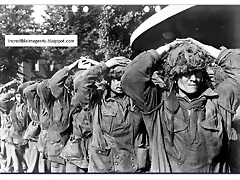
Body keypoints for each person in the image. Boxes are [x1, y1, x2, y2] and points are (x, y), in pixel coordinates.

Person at [121, 38, 240, 172]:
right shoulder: (157, 103)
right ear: (175, 75)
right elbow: (131, 77)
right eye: (187, 73)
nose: (194, 79)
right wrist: (167, 48)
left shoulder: (219, 100)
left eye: (198, 72)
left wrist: (205, 48)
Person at [76, 57, 150, 173]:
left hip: (132, 166)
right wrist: (105, 66)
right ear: (108, 80)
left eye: (123, 79)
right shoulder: (97, 101)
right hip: (104, 167)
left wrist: (134, 67)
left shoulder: (137, 98)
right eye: (115, 79)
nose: (120, 84)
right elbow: (81, 83)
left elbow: (158, 84)